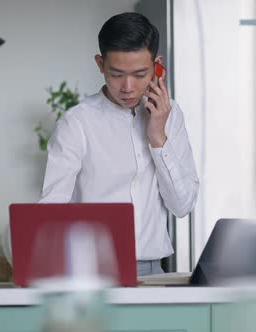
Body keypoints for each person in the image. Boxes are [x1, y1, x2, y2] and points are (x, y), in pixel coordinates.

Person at [39, 12, 199, 276]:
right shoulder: (76, 123)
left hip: (154, 274)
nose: (127, 87)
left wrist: (158, 138)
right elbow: (50, 210)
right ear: (100, 65)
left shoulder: (171, 115)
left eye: (140, 74)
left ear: (158, 66)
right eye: (116, 74)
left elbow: (182, 206)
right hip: (91, 273)